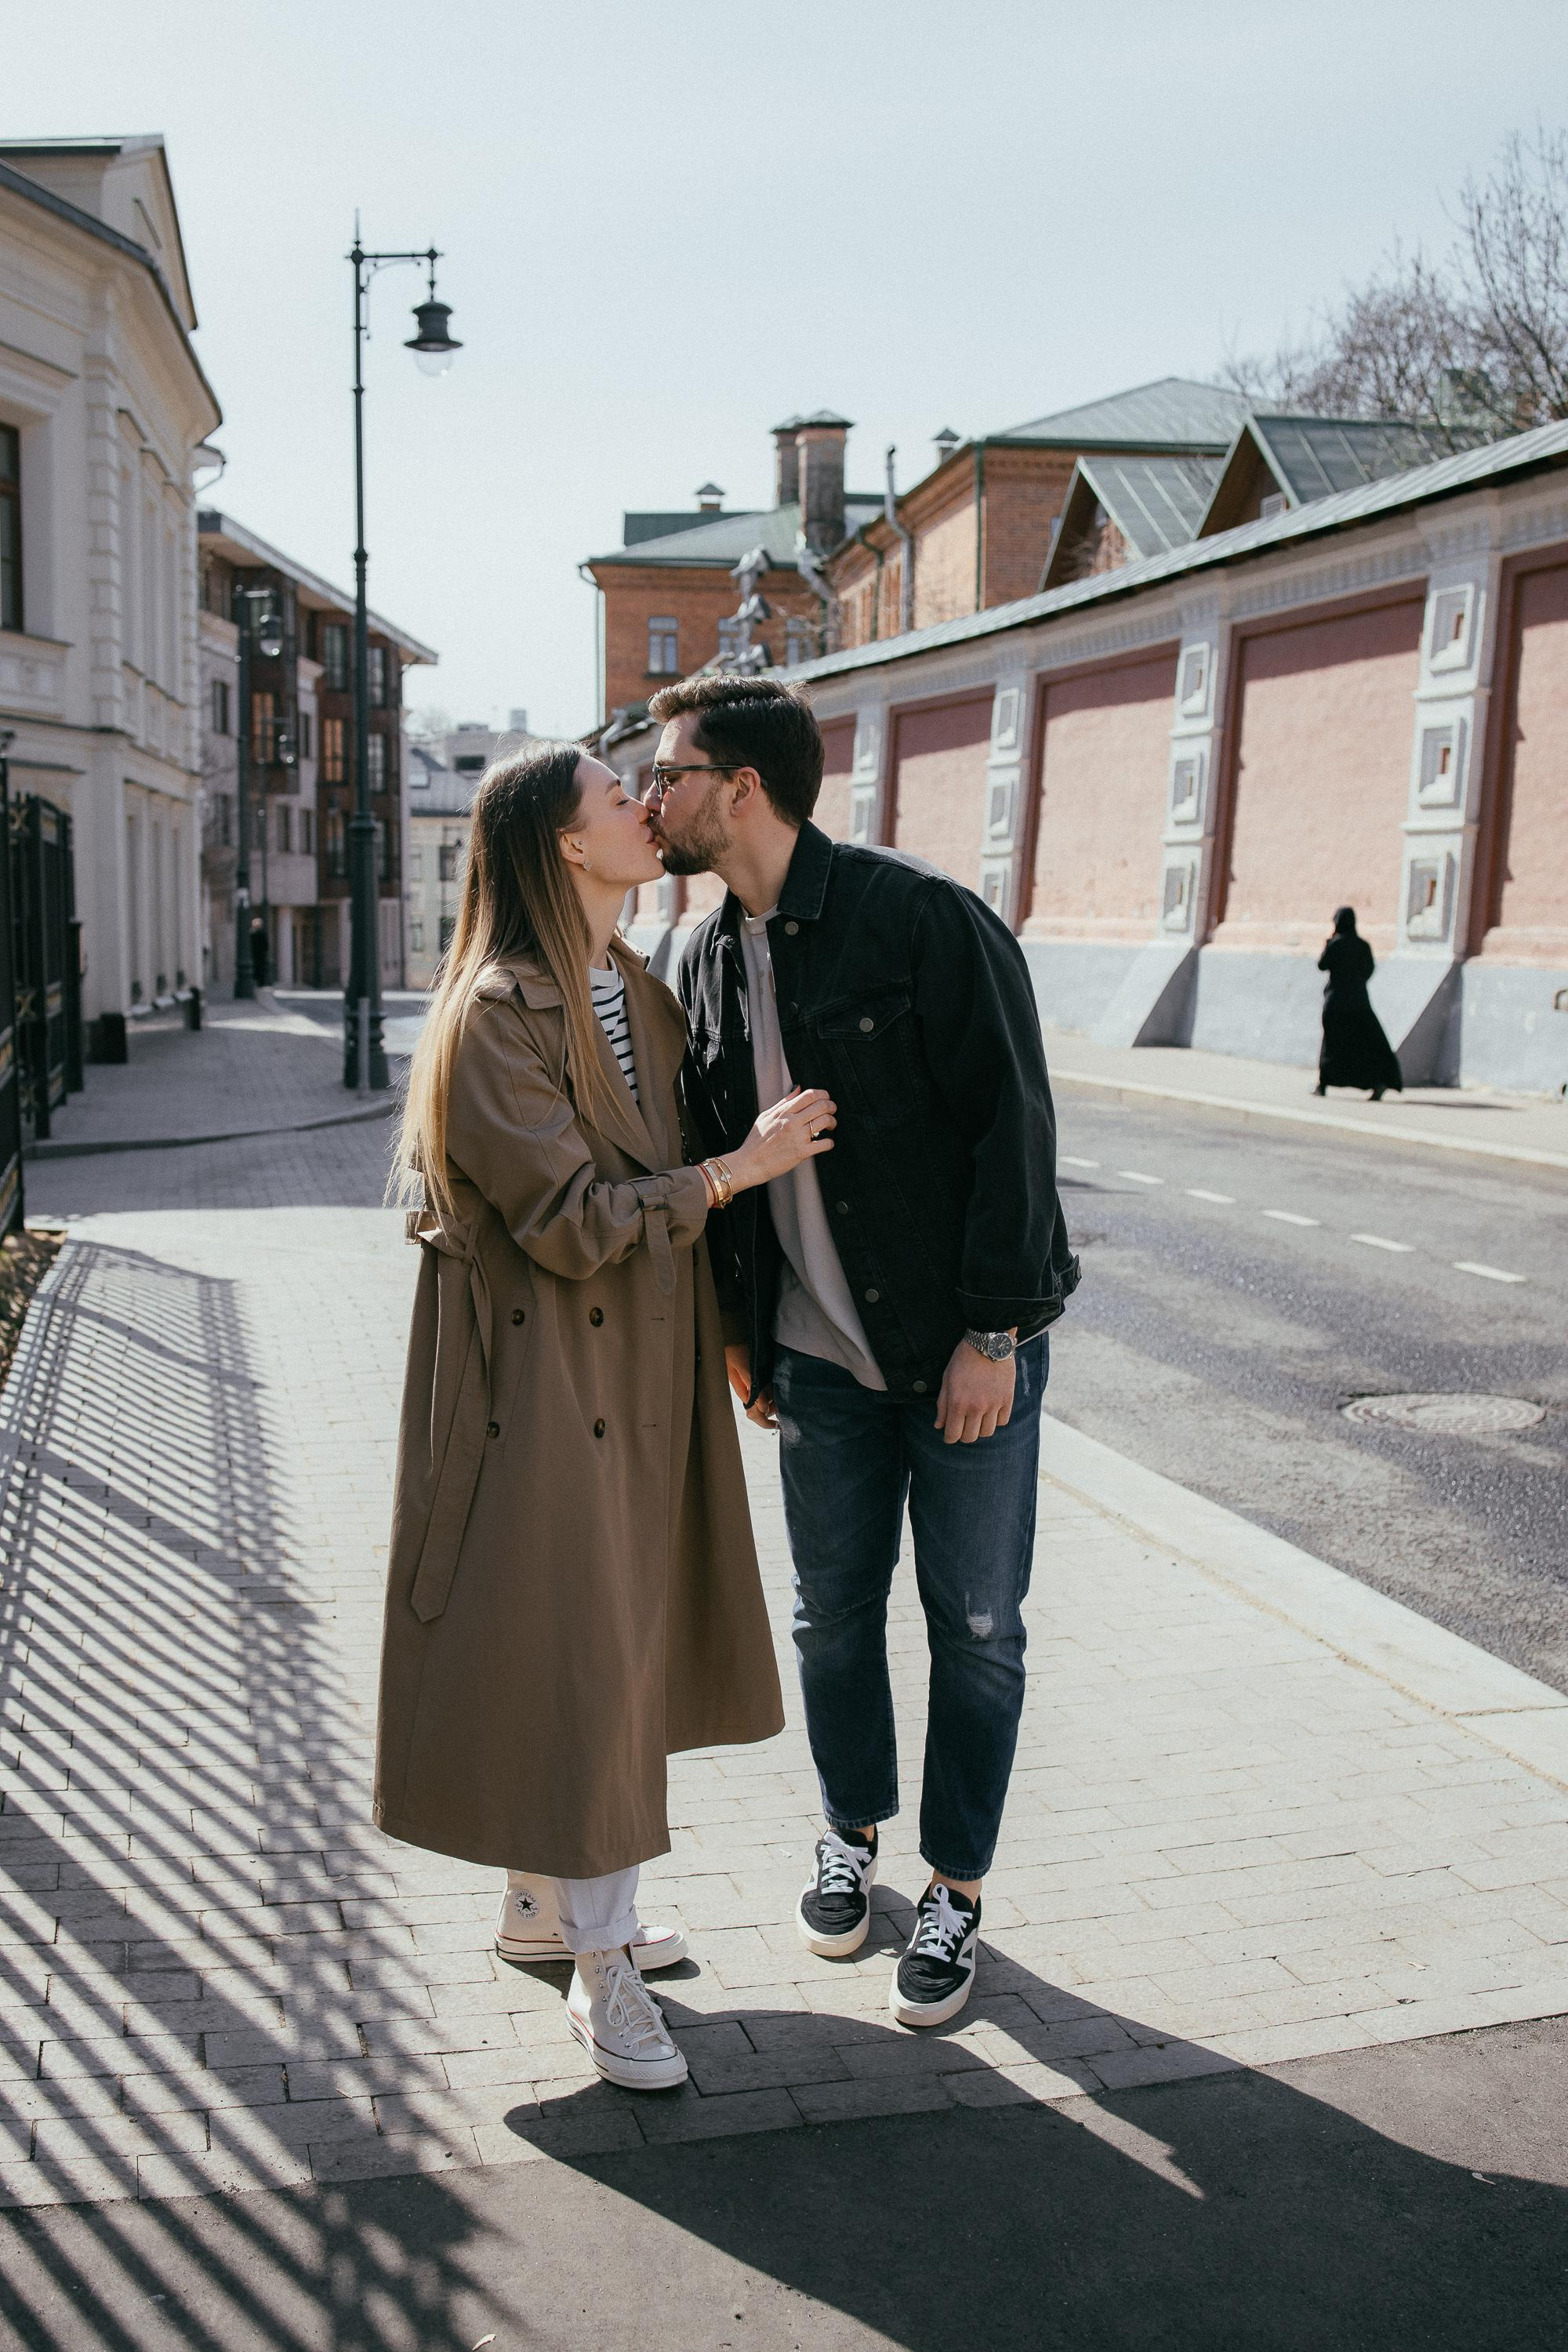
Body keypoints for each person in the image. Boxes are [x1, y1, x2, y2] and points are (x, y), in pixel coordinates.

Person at [376, 741, 837, 2091]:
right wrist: (736, 1170)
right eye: (618, 798)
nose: (648, 807)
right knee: (578, 1649)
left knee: (609, 1639)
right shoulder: (494, 1012)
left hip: (637, 1368)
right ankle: (603, 1960)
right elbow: (573, 1225)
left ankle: (546, 1907)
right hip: (539, 1385)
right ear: (567, 846)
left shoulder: (634, 981)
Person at [648, 675, 1080, 2031]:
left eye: (668, 772)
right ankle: (851, 1834)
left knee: (977, 1626)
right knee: (831, 1619)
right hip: (818, 1365)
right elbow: (726, 1161)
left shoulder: (920, 920)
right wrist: (741, 1334)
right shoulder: (706, 956)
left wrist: (994, 1334)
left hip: (961, 1353)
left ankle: (954, 1890)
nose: (652, 795)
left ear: (741, 789)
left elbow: (1016, 1130)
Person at [1315, 906, 1402, 1101]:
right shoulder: (1363, 946)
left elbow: (1322, 965)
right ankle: (1376, 1082)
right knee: (1364, 1045)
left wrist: (1328, 944)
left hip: (1336, 1002)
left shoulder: (1336, 944)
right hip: (1359, 1003)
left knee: (1333, 1044)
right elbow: (1369, 969)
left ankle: (1323, 1085)